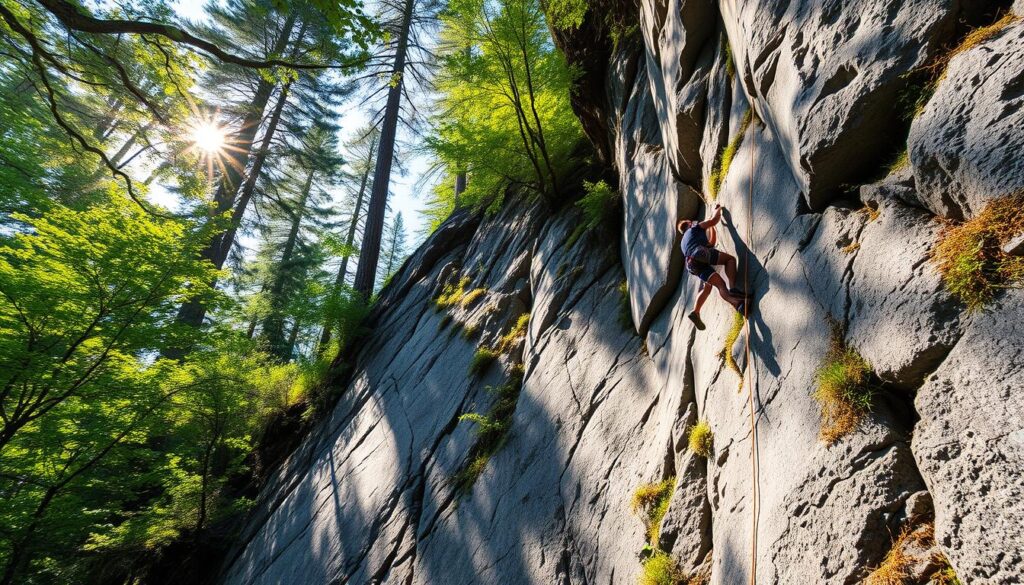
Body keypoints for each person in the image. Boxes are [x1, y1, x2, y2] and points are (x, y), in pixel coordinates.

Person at [678, 204, 748, 330]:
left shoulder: (683, 243)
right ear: (689, 223)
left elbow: (711, 244)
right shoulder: (693, 227)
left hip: (692, 265)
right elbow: (714, 220)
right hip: (699, 253)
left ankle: (738, 305)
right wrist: (717, 210)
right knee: (730, 260)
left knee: (718, 285)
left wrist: (712, 228)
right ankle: (733, 288)